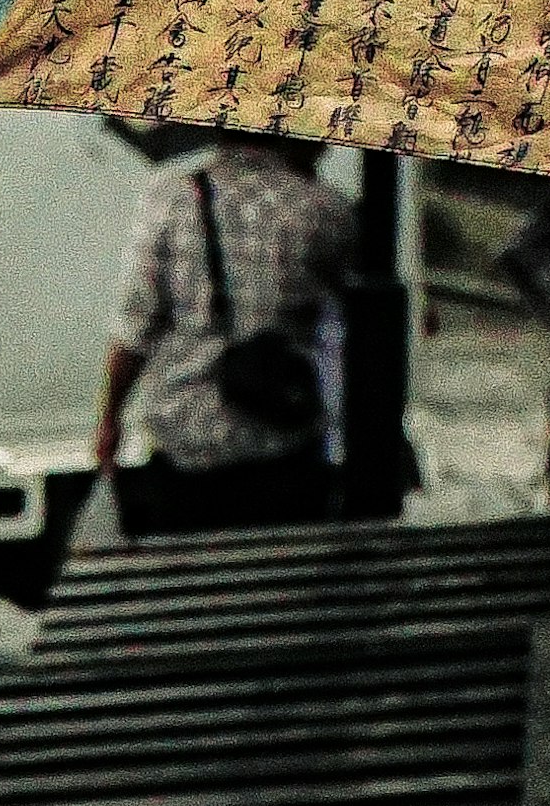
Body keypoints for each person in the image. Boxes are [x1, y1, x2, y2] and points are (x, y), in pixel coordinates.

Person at [91, 126, 354, 534]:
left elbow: (136, 326)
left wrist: (110, 418)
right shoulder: (322, 207)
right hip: (282, 442)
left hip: (187, 446)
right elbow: (351, 315)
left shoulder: (173, 196)